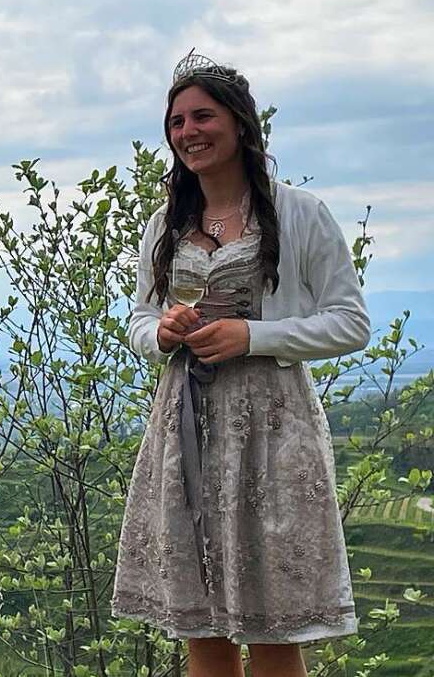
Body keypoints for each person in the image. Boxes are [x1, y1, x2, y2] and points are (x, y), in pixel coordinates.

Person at [111, 51, 370, 677]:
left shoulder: (299, 214)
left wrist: (251, 336)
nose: (187, 132)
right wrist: (163, 330)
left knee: (275, 626)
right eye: (176, 122)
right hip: (184, 427)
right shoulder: (166, 224)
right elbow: (138, 319)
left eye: (203, 116)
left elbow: (351, 322)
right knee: (200, 627)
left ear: (241, 125)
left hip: (272, 431)